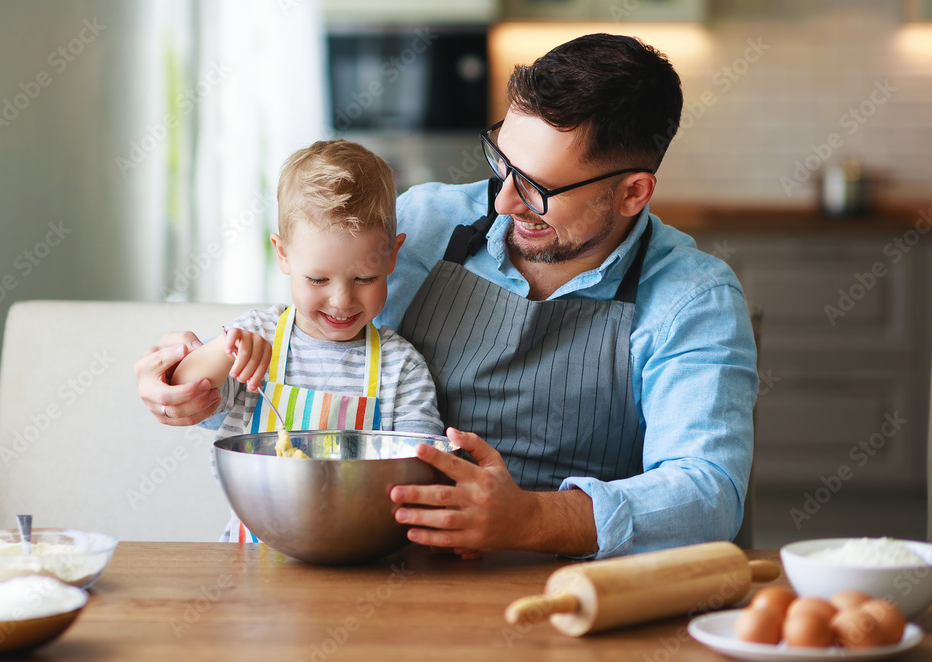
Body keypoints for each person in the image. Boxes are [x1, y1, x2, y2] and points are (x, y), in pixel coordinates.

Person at [136, 33, 757, 559]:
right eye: (502, 164)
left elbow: (707, 496)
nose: (506, 201)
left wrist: (532, 520)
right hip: (392, 566)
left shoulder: (691, 298)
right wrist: (196, 381)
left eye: (539, 189)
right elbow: (320, 360)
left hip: (562, 584)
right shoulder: (427, 224)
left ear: (632, 193)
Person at [166, 139, 444, 541]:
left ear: (391, 257)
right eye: (318, 279)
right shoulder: (254, 335)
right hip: (252, 561)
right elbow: (180, 388)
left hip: (362, 554)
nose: (342, 300)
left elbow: (422, 467)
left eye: (365, 278)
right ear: (283, 255)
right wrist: (224, 350)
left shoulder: (400, 367)